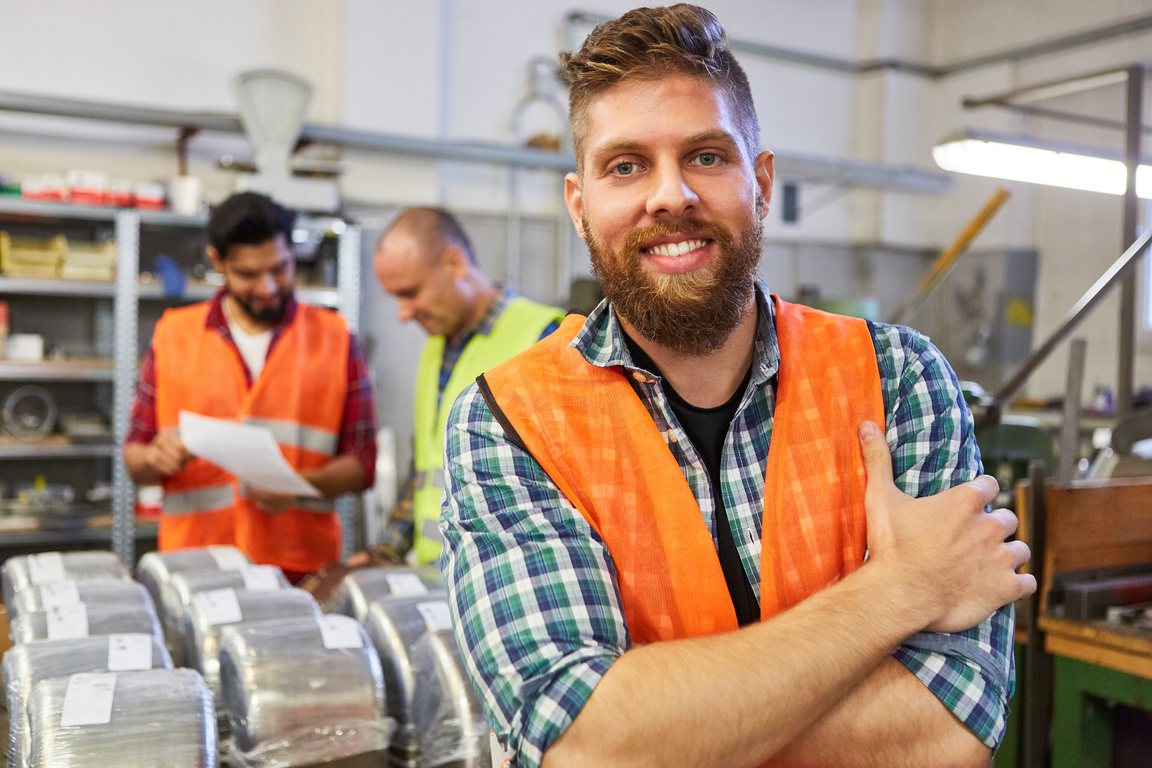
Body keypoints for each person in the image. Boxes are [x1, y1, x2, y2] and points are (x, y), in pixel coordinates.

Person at [439, 6, 1036, 768]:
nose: (669, 196)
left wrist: (674, 729)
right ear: (579, 205)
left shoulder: (898, 378)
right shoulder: (510, 420)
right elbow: (586, 744)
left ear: (760, 182)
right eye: (626, 165)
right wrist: (900, 590)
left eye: (706, 157)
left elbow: (946, 733)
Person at [124, 192, 377, 580]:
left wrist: (298, 486)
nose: (268, 287)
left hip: (300, 570)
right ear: (217, 262)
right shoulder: (173, 334)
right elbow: (134, 458)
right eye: (248, 274)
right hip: (196, 567)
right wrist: (153, 459)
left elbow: (362, 464)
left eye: (280, 268)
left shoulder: (336, 338)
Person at [366, 207, 564, 565]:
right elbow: (425, 470)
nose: (403, 313)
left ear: (455, 263)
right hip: (436, 577)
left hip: (506, 583)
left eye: (410, 292)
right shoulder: (436, 347)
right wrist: (385, 552)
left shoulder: (543, 340)